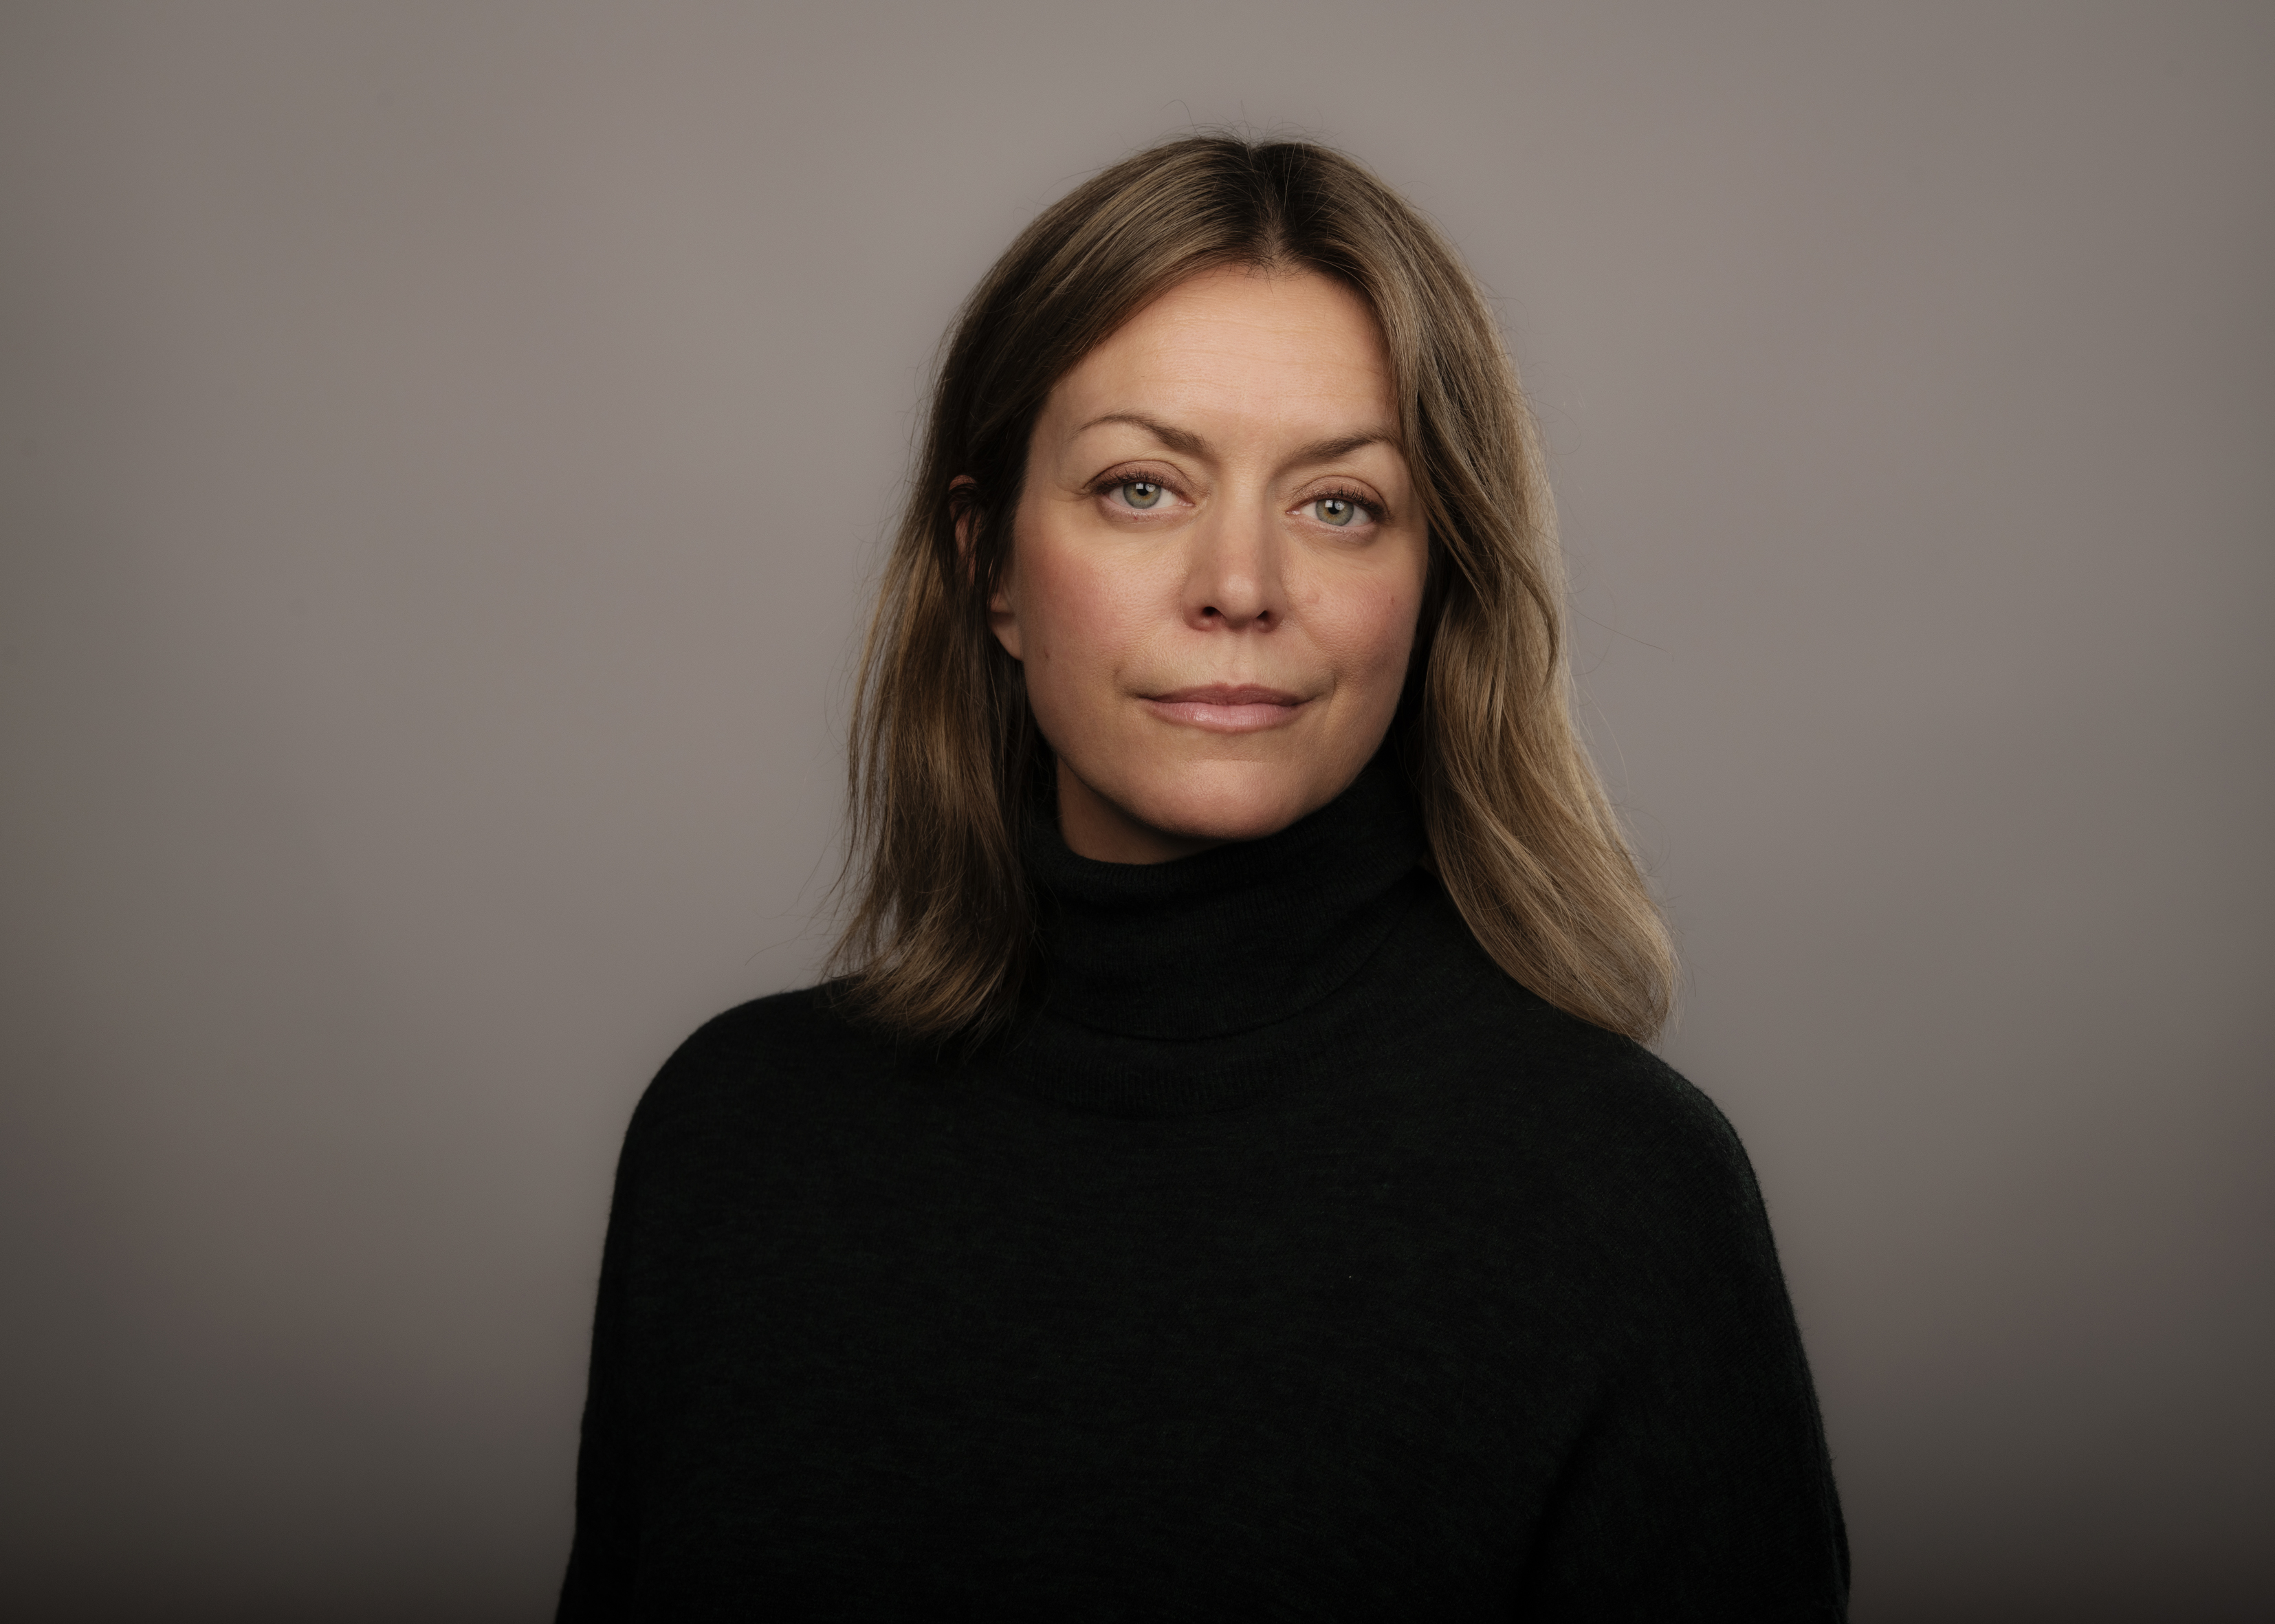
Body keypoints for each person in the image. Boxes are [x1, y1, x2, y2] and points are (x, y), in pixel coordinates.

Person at [556, 135, 1848, 1621]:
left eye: (1340, 503)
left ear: (1433, 585)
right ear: (987, 563)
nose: (1238, 583)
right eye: (1139, 486)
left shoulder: (1620, 1195)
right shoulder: (731, 1140)